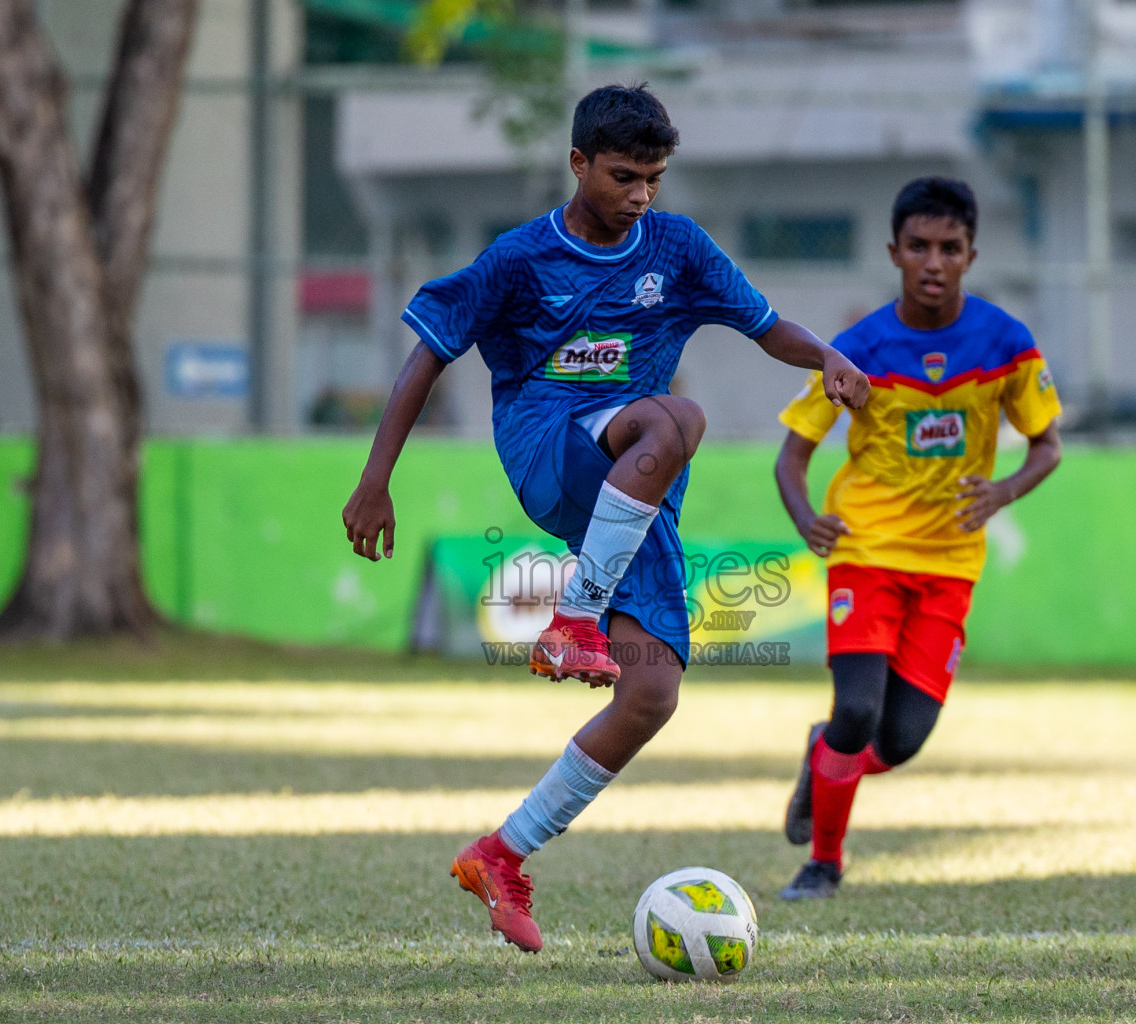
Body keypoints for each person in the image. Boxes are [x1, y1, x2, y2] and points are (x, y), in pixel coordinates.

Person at [341, 84, 870, 951]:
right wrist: (375, 479)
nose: (640, 196)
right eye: (623, 176)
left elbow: (766, 327)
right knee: (679, 417)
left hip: (636, 484)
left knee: (652, 695)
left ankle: (502, 853)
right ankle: (573, 617)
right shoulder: (517, 260)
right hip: (550, 450)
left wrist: (829, 357)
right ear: (579, 163)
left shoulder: (678, 247)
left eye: (654, 179)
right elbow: (428, 352)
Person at [773, 177, 1063, 900]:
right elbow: (793, 456)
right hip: (866, 551)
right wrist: (807, 518)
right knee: (858, 711)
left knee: (898, 740)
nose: (933, 262)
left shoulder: (1007, 344)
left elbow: (1048, 445)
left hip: (949, 564)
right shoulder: (856, 347)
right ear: (894, 252)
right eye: (919, 247)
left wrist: (1002, 492)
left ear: (970, 255)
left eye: (950, 248)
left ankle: (824, 760)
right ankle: (824, 863)